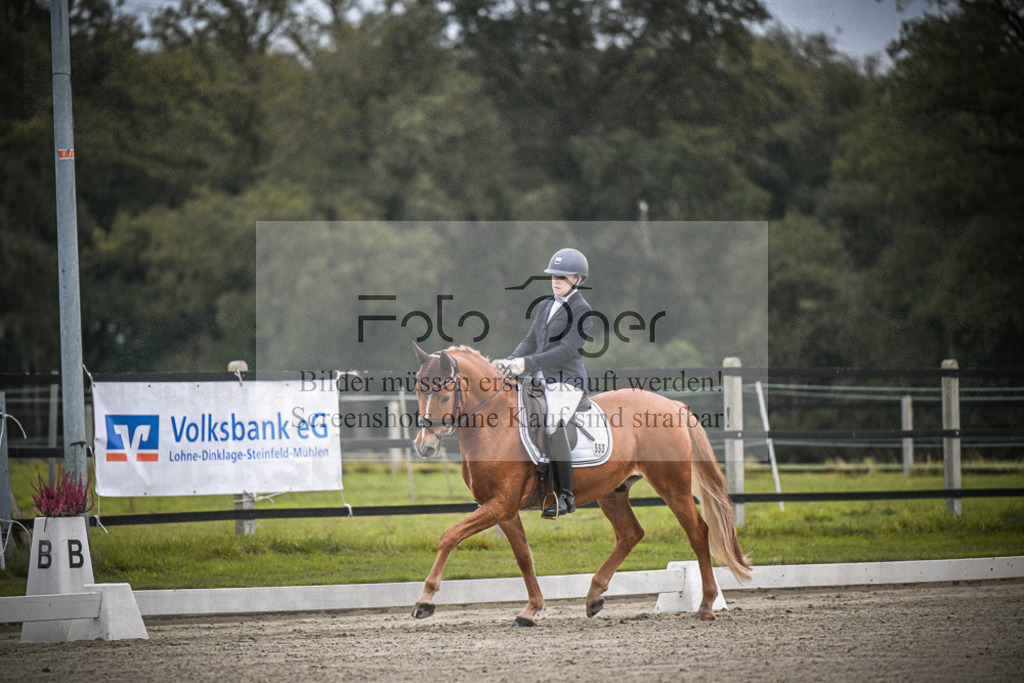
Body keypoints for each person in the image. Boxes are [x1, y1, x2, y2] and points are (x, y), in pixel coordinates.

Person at [494, 248, 592, 518]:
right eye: (553, 276)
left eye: (562, 277)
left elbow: (567, 350)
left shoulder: (583, 310)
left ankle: (565, 495)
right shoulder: (545, 305)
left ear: (578, 280)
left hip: (567, 380)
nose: (555, 281)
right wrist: (511, 360)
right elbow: (530, 341)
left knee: (553, 422)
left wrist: (528, 364)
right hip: (539, 377)